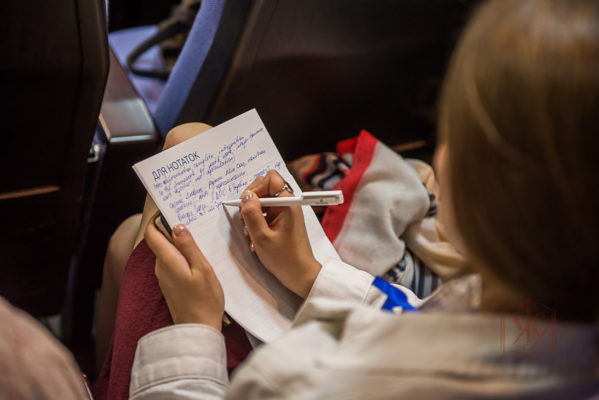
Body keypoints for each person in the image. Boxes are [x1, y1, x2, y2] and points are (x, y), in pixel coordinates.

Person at [120, 0, 599, 398]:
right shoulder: (540, 315)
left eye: (453, 133)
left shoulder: (302, 380)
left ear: (492, 197)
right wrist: (312, 274)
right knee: (136, 225)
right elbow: (412, 318)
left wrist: (195, 330)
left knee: (156, 197)